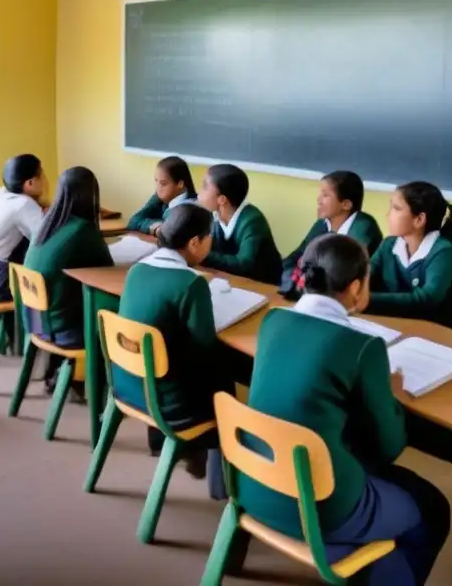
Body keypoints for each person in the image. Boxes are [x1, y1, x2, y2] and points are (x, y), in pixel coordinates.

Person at [238, 234, 450, 586]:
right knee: (432, 508)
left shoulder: (273, 321)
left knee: (357, 458)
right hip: (319, 508)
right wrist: (391, 395)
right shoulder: (363, 346)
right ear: (355, 287)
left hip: (254, 485)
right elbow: (388, 448)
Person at [115, 204, 232, 485]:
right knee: (227, 381)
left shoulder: (137, 270)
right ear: (194, 242)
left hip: (128, 383)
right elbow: (206, 346)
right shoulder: (190, 283)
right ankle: (219, 481)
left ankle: (170, 446)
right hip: (166, 400)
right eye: (209, 238)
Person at [24, 166, 114, 393]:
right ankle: (101, 387)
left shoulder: (46, 221)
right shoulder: (83, 230)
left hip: (35, 320)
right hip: (60, 328)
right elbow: (108, 269)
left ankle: (65, 374)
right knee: (115, 312)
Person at [367, 181, 452, 332]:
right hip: (405, 328)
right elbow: (364, 276)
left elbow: (425, 300)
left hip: (447, 336)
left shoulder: (443, 251)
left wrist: (365, 299)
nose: (388, 215)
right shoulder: (389, 245)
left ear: (419, 220)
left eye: (396, 209)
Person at [281, 170, 383, 295]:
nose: (319, 200)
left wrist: (303, 282)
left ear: (346, 204)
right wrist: (290, 279)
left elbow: (342, 276)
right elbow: (296, 257)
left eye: (325, 195)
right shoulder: (322, 224)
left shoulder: (363, 228)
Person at [0, 154, 47, 303]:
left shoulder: (3, 194)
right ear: (30, 183)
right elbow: (47, 238)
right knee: (56, 285)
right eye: (42, 175)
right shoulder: (23, 204)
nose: (45, 180)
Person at [197, 163, 282, 285]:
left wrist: (202, 254)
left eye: (204, 187)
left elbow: (243, 264)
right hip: (229, 280)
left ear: (222, 200)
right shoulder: (212, 214)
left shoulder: (252, 221)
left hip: (262, 285)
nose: (200, 192)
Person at [126, 155, 198, 236]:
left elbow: (170, 232)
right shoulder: (161, 199)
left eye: (163, 183)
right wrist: (156, 227)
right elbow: (133, 222)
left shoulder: (189, 208)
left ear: (180, 184)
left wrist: (153, 226)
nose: (157, 188)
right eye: (156, 181)